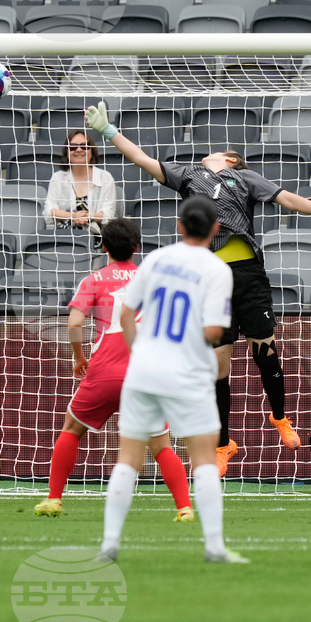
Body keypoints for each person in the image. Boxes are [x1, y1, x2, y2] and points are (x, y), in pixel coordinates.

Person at [85, 101, 311, 475]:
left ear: (231, 160)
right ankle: (223, 443)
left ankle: (280, 416)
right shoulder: (187, 175)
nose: (211, 152)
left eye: (221, 152)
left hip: (247, 275)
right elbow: (142, 159)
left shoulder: (245, 178)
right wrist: (109, 132)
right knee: (218, 367)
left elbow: (288, 200)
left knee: (265, 353)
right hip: (211, 280)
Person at [99, 197, 245, 563]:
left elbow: (128, 314)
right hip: (188, 372)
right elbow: (213, 330)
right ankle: (214, 547)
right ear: (215, 230)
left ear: (179, 226)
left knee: (128, 459)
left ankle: (109, 545)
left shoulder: (156, 260)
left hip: (145, 369)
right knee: (204, 460)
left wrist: (141, 353)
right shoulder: (217, 270)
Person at [34, 219, 193, 521]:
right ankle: (184, 508)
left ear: (104, 247)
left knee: (72, 429)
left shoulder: (93, 280)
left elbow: (74, 324)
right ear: (137, 247)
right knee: (160, 445)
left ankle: (54, 499)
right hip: (146, 374)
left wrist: (79, 358)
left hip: (105, 371)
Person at [43, 130, 118, 239]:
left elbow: (108, 214)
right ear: (67, 153)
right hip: (63, 239)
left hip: (97, 238)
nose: (79, 150)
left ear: (92, 152)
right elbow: (49, 211)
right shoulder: (57, 177)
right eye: (73, 147)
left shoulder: (105, 177)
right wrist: (74, 216)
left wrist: (88, 217)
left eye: (84, 146)